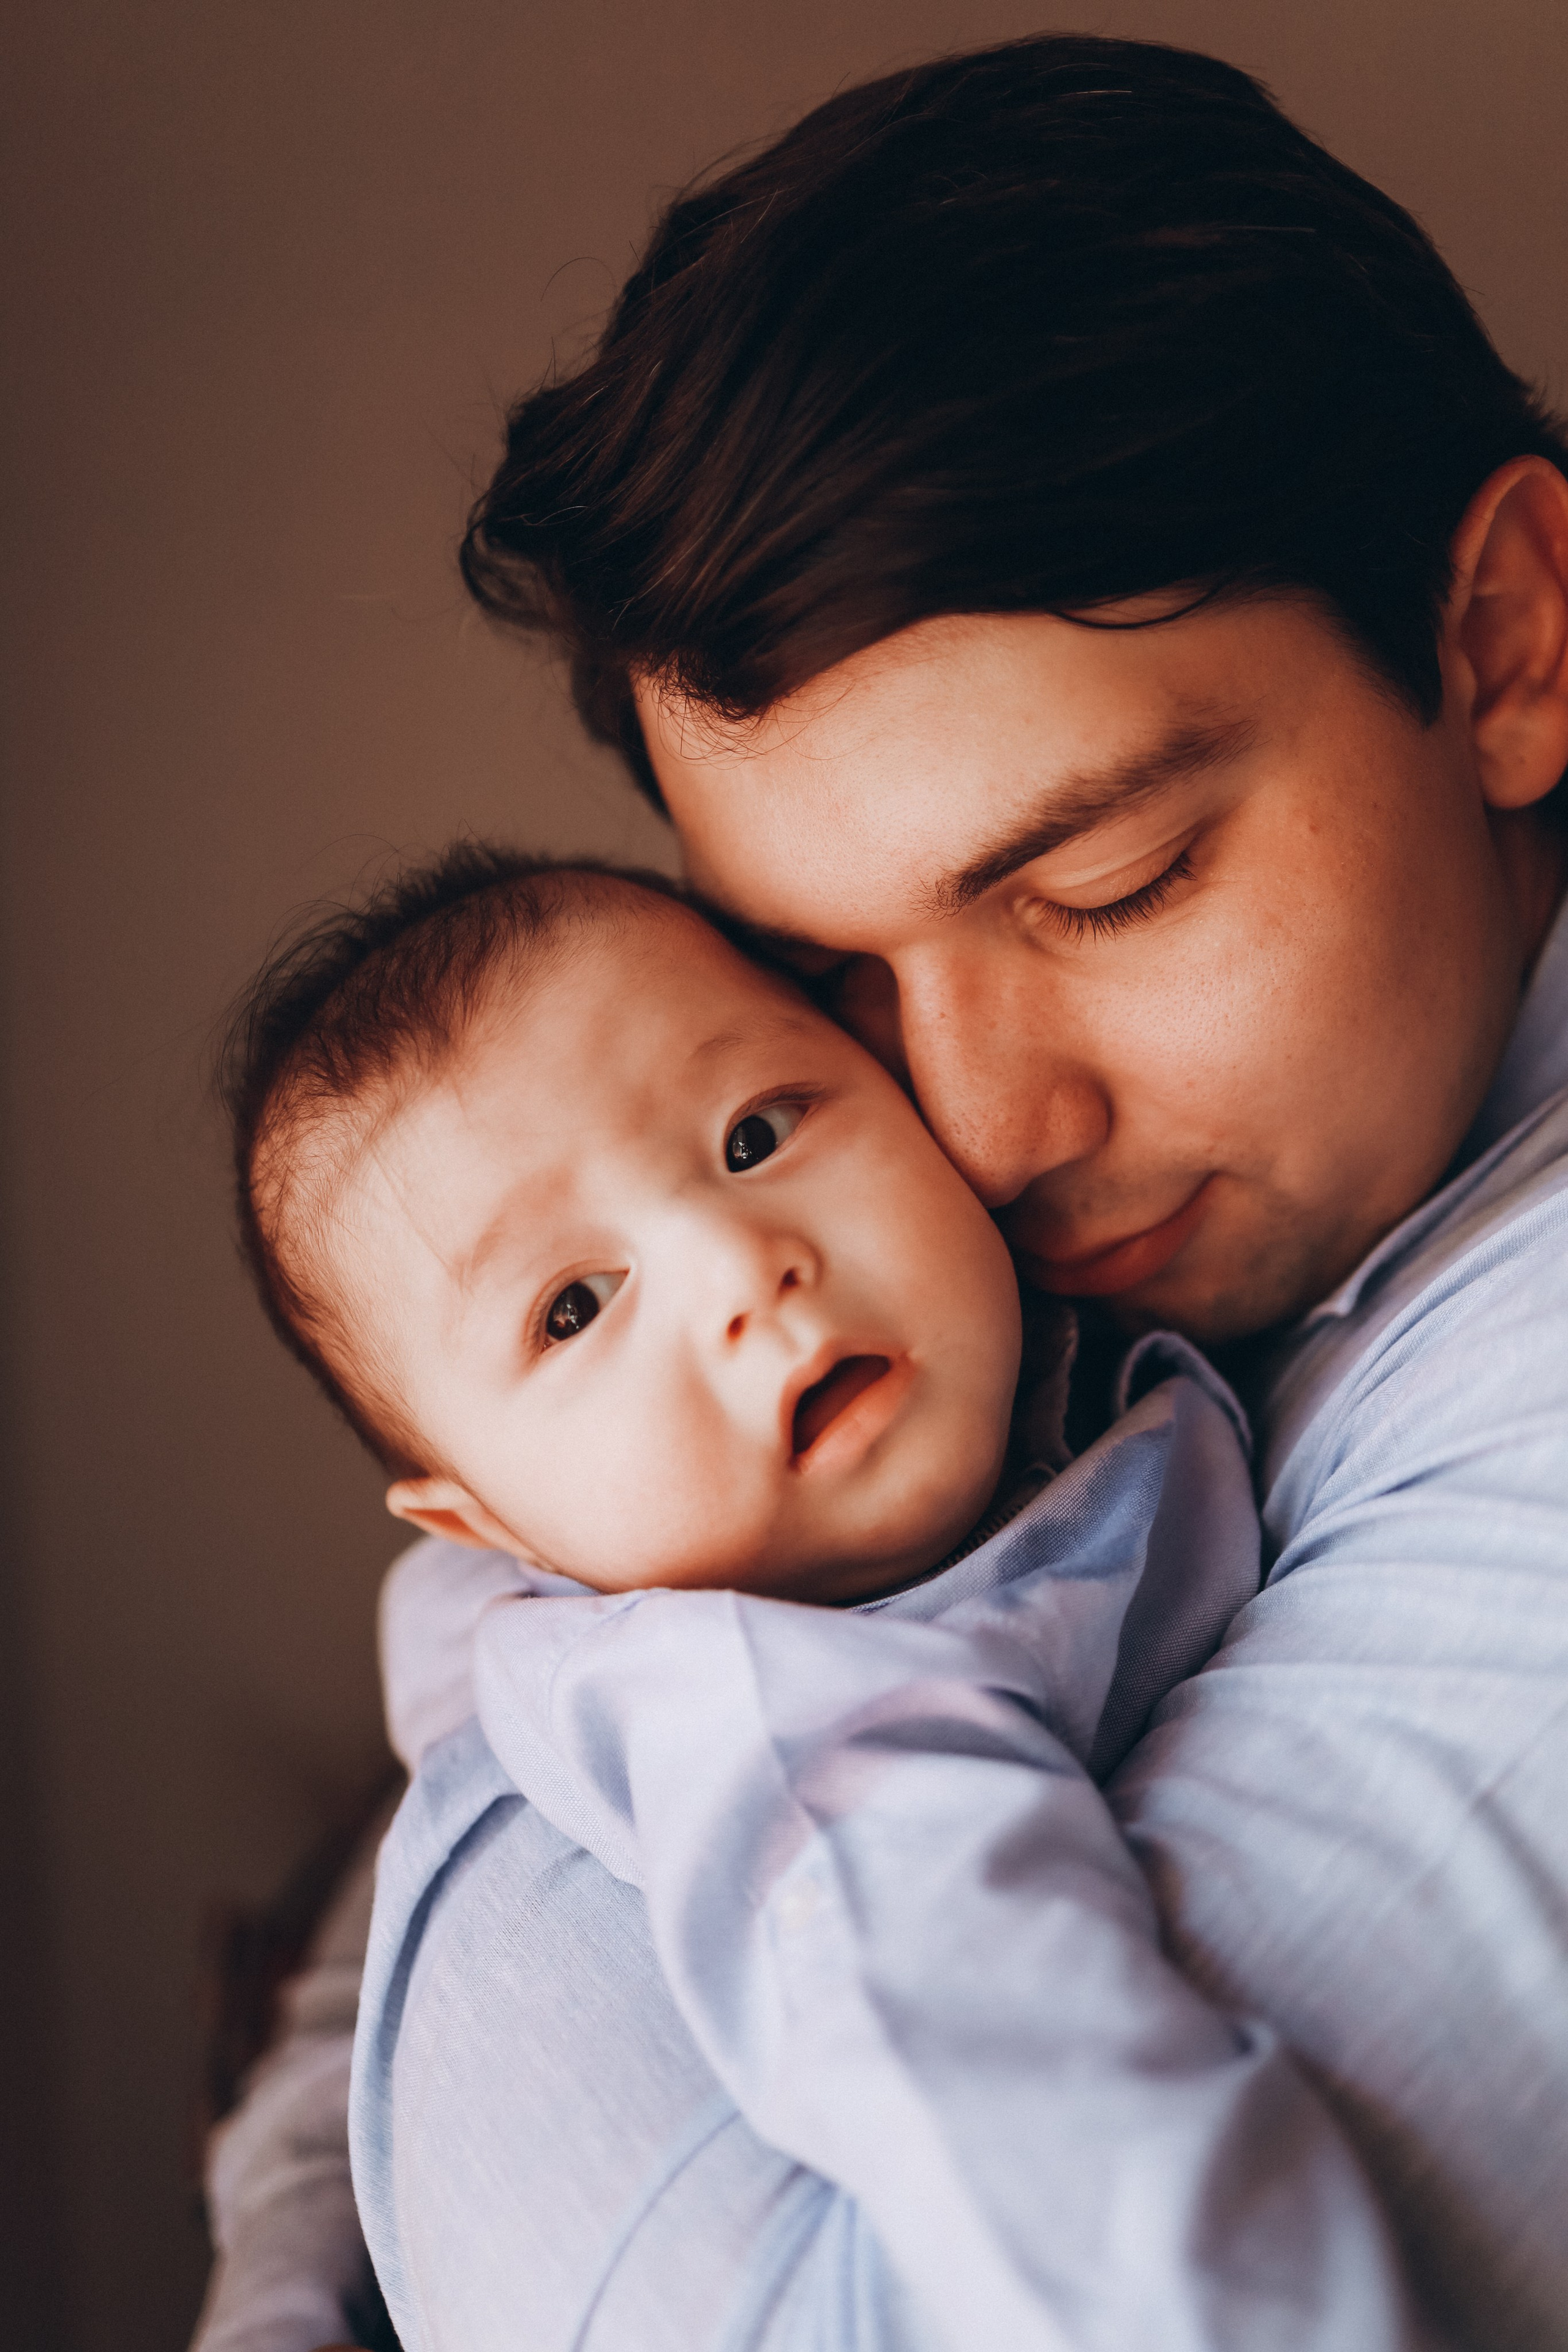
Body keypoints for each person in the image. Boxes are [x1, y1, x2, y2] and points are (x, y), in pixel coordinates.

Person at [192, 32, 1568, 2352]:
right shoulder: (1127, 1232)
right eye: (831, 983)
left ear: (1508, 641)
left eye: (1110, 882)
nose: (982, 1129)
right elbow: (414, 1781)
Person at [214, 842, 1280, 2349]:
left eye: (755, 1131)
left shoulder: (1122, 1305)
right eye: (572, 1306)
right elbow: (1056, 2146)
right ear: (491, 1526)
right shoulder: (771, 1725)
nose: (741, 1262)